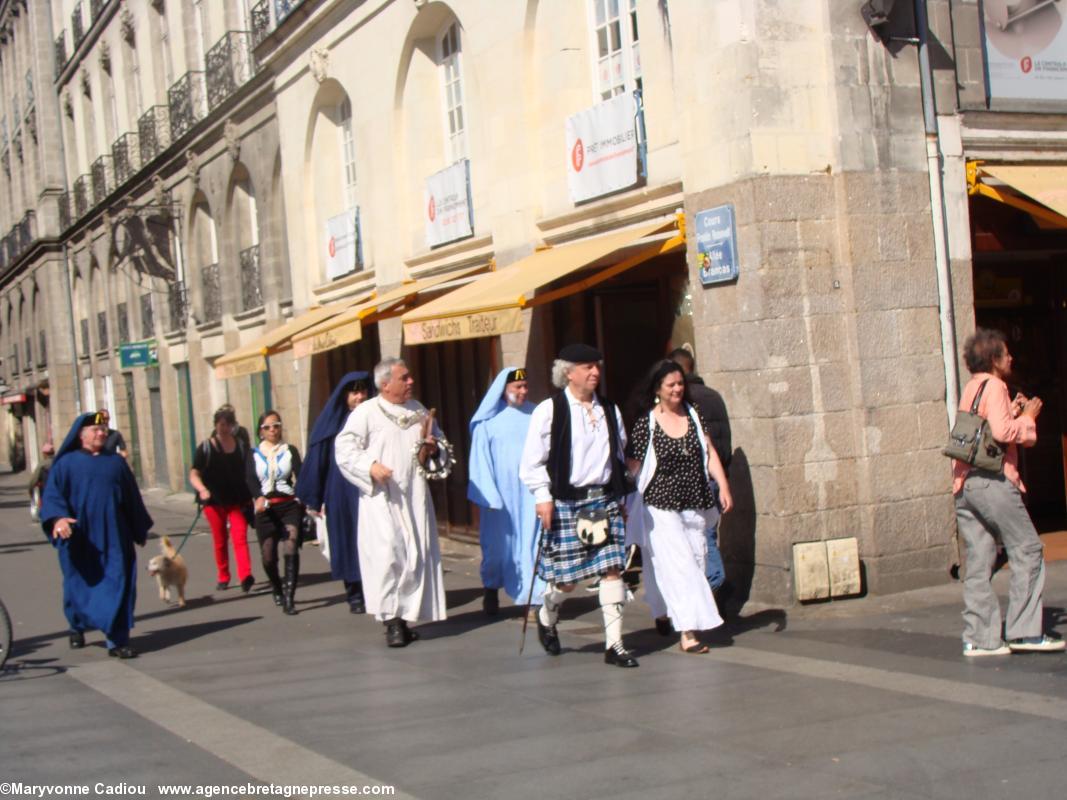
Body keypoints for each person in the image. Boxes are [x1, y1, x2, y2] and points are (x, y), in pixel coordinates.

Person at [520, 343, 638, 668]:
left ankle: (614, 646)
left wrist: (623, 497)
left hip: (604, 499)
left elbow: (618, 457)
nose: (595, 372)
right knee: (567, 581)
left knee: (613, 570)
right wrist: (543, 498)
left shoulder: (609, 409)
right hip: (567, 502)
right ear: (567, 372)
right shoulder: (550, 410)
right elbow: (532, 462)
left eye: (597, 366)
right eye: (587, 367)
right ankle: (547, 615)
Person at [952, 328, 1064, 656]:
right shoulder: (997, 385)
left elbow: (983, 432)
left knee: (979, 559)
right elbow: (1002, 432)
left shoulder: (972, 387)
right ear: (994, 360)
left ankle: (980, 637)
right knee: (1027, 548)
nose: (1011, 358)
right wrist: (1027, 420)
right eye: (1005, 353)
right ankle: (1024, 632)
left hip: (964, 482)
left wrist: (1012, 412)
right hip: (993, 481)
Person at [334, 357, 449, 647]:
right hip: (382, 499)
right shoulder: (366, 413)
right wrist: (370, 466)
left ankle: (406, 617)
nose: (411, 382)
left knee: (415, 556)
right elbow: (344, 448)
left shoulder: (418, 410)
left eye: (409, 377)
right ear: (386, 384)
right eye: (405, 378)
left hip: (414, 496)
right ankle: (392, 623)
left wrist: (433, 449)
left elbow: (439, 443)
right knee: (389, 556)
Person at [625, 360, 732, 653]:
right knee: (681, 565)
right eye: (671, 385)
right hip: (659, 506)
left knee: (694, 559)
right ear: (658, 389)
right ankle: (689, 632)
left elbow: (708, 450)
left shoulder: (694, 415)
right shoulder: (646, 423)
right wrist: (623, 500)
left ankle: (661, 610)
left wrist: (722, 485)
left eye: (680, 384)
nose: (677, 389)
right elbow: (633, 464)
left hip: (694, 501)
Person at [40, 411, 153, 659]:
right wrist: (58, 519)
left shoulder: (115, 463)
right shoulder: (65, 465)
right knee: (79, 587)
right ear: (82, 435)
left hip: (115, 536)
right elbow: (52, 498)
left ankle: (118, 640)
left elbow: (131, 497)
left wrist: (138, 528)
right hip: (80, 539)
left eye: (104, 430)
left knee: (120, 584)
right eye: (96, 430)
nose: (102, 433)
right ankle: (77, 625)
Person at [468, 367, 543, 617]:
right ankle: (490, 589)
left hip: (531, 493)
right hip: (501, 498)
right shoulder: (488, 422)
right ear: (504, 390)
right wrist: (488, 495)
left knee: (533, 544)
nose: (523, 392)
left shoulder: (537, 414)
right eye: (517, 388)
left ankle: (533, 599)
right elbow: (479, 461)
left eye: (525, 387)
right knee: (498, 548)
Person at [296, 372, 372, 614]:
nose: (359, 397)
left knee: (372, 540)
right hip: (339, 490)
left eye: (363, 391)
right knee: (346, 540)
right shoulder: (332, 423)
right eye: (354, 392)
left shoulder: (374, 417)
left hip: (368, 489)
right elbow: (318, 459)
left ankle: (374, 590)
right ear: (344, 396)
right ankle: (354, 593)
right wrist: (314, 497)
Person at [668, 347, 730, 596]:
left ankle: (711, 587)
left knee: (701, 540)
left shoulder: (685, 404)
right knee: (707, 536)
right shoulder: (714, 396)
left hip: (698, 482)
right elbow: (723, 443)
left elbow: (706, 446)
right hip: (716, 478)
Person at [190, 406, 255, 593]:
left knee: (240, 538)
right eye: (221, 424)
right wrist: (202, 490)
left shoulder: (241, 446)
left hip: (238, 501)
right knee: (220, 540)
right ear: (216, 425)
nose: (224, 428)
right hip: (214, 502)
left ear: (233, 425)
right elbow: (194, 474)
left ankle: (245, 576)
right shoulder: (206, 448)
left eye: (228, 424)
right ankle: (223, 576)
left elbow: (248, 471)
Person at [245, 410, 304, 615]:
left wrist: (304, 496)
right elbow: (250, 479)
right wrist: (258, 497)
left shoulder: (290, 450)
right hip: (265, 508)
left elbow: (301, 474)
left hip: (288, 505)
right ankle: (277, 587)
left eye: (276, 425)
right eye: (268, 427)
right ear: (261, 431)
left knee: (291, 546)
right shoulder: (253, 454)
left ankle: (289, 597)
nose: (273, 430)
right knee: (268, 555)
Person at [28, 441, 55, 522]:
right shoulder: (59, 461)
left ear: (44, 454)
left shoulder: (42, 465)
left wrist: (30, 490)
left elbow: (34, 479)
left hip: (46, 488)